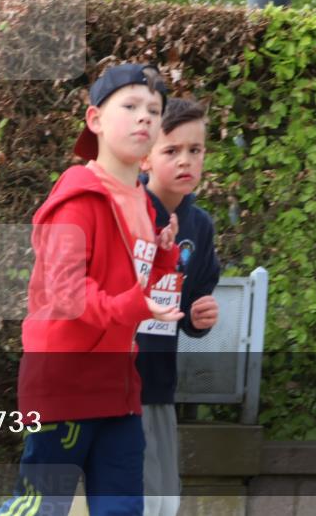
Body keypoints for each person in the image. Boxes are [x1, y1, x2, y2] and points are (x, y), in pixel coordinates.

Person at [0, 64, 184, 516]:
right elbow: (66, 292)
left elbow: (134, 287)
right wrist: (136, 303)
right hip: (65, 388)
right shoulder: (78, 197)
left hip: (119, 392)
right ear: (95, 120)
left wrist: (162, 256)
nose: (144, 117)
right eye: (131, 106)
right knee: (41, 509)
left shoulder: (143, 201)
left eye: (154, 110)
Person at [136, 98, 221, 516]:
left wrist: (200, 319)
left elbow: (191, 305)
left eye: (195, 150)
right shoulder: (123, 208)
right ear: (146, 156)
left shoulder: (200, 226)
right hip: (107, 384)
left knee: (161, 501)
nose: (185, 160)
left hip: (157, 385)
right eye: (171, 151)